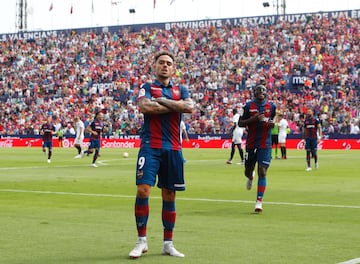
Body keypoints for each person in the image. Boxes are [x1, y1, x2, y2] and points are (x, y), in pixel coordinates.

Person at [129, 51, 194, 259]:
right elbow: (144, 106)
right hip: (151, 146)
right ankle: (142, 241)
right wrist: (175, 106)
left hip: (174, 148)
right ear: (154, 66)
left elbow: (189, 107)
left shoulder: (180, 88)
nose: (165, 66)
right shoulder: (147, 87)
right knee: (143, 190)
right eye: (161, 63)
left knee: (169, 194)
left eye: (168, 63)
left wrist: (162, 101)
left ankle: (168, 243)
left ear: (173, 68)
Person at [238, 84, 276, 213]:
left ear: (266, 93)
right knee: (248, 170)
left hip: (265, 143)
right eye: (259, 90)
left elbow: (272, 120)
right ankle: (250, 177)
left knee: (263, 171)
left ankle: (259, 201)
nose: (261, 92)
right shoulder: (248, 106)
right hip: (251, 143)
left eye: (263, 91)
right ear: (254, 93)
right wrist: (253, 119)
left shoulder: (271, 106)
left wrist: (272, 124)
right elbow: (240, 123)